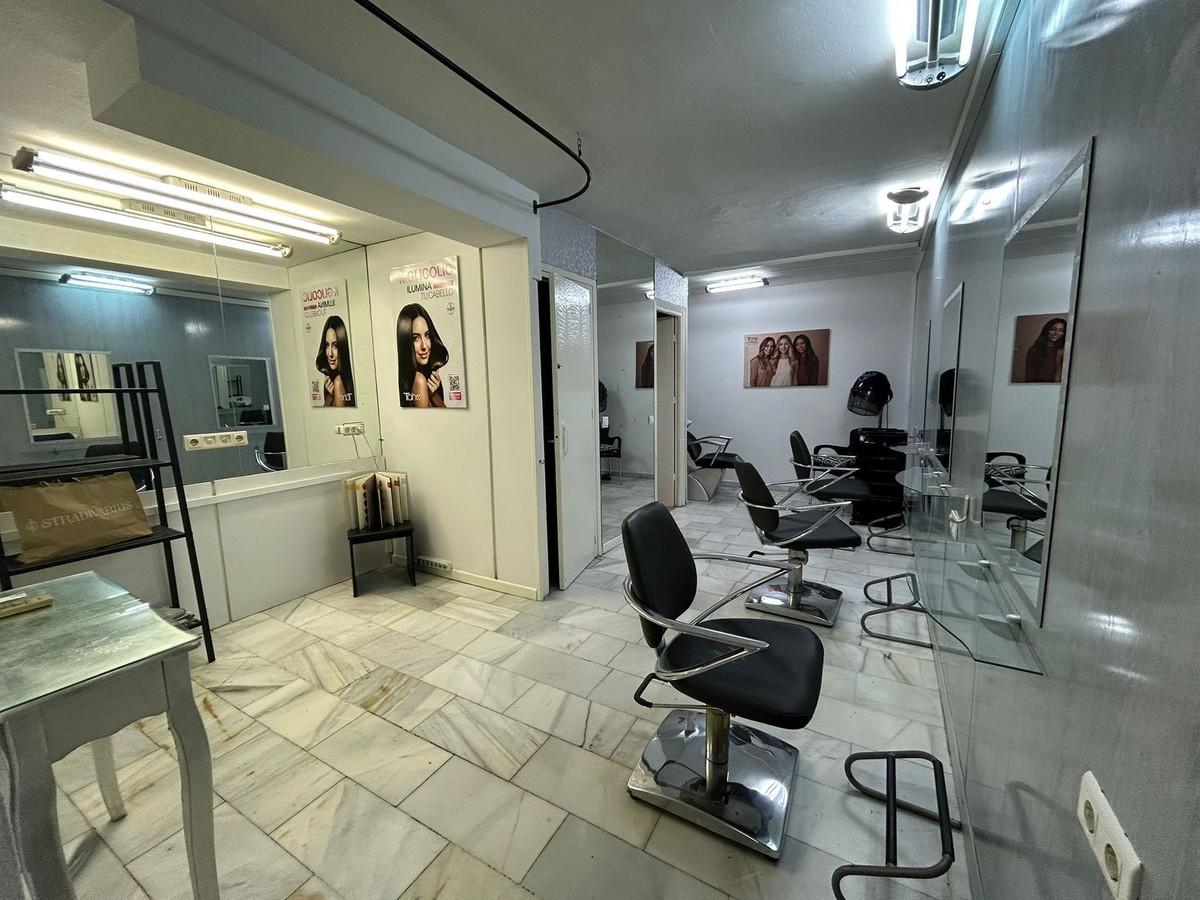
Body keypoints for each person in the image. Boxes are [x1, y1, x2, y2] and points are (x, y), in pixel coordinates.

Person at [397, 302, 448, 408]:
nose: (424, 346)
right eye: (415, 338)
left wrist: (433, 395)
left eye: (427, 335)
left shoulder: (424, 377)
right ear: (405, 342)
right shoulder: (419, 380)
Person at [315, 315, 355, 407]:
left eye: (335, 346)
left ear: (342, 347)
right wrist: (331, 396)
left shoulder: (338, 382)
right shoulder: (334, 381)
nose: (330, 353)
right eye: (327, 345)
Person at [1024, 317, 1067, 383]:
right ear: (1046, 330)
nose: (1056, 333)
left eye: (1061, 330)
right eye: (1053, 329)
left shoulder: (1065, 350)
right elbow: (1029, 377)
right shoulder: (1034, 350)